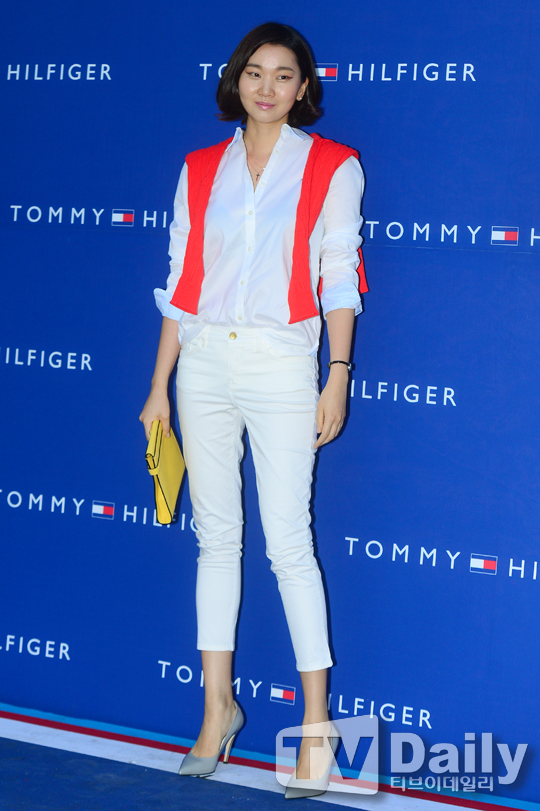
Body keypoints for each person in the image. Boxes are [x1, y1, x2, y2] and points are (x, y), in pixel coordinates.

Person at [139, 21, 367, 800]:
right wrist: (159, 386)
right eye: (255, 72)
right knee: (216, 540)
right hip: (203, 362)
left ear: (303, 88)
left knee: (290, 544)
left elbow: (339, 274)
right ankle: (217, 709)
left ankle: (316, 727)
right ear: (236, 80)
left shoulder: (333, 165)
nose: (267, 87)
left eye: (284, 74)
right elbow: (182, 281)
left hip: (282, 364)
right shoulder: (201, 167)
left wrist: (338, 374)